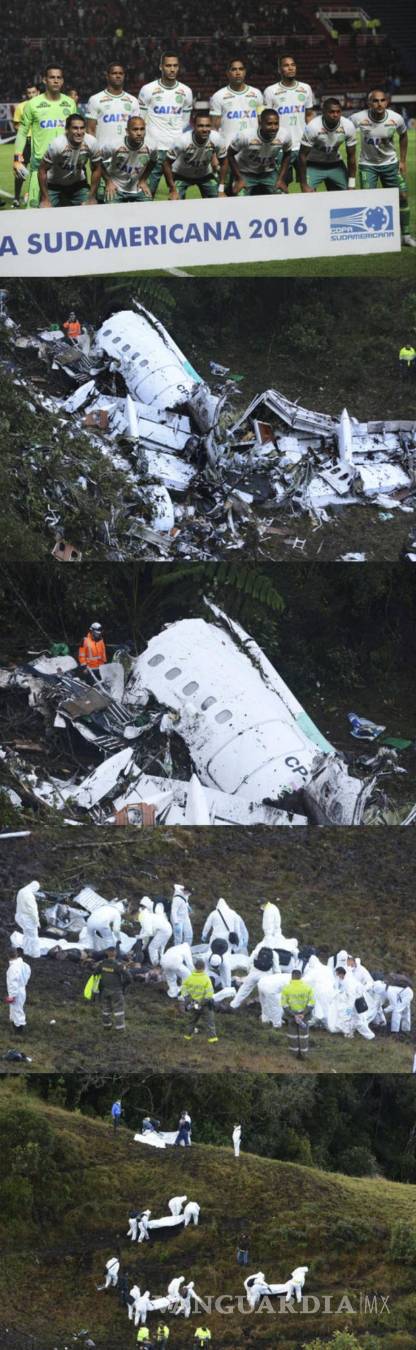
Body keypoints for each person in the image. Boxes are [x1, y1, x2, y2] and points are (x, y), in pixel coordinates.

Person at [351, 89, 416, 247]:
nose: (379, 104)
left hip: (390, 164)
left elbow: (403, 135)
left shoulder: (396, 118)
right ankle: (371, 237)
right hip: (368, 166)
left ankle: (406, 236)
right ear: (369, 103)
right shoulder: (358, 118)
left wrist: (402, 161)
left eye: (382, 100)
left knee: (402, 196)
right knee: (369, 200)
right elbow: (344, 128)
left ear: (386, 102)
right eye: (375, 101)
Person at [14, 67, 76, 207]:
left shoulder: (70, 103)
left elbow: (76, 133)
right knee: (34, 211)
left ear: (62, 81)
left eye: (59, 77)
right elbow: (22, 132)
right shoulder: (33, 104)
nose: (56, 80)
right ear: (44, 80)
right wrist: (17, 158)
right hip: (40, 167)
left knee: (67, 213)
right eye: (52, 77)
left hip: (65, 167)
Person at [138, 53, 193, 197]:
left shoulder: (186, 91)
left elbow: (185, 121)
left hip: (176, 152)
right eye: (168, 65)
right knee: (146, 195)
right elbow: (141, 120)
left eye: (175, 66)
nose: (172, 69)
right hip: (154, 150)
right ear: (161, 67)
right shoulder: (147, 89)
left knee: (178, 196)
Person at [263, 54, 315, 184]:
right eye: (286, 65)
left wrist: (312, 138)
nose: (290, 68)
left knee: (308, 185)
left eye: (293, 65)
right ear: (279, 69)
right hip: (280, 147)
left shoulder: (306, 88)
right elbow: (264, 120)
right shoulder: (270, 91)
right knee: (281, 185)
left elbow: (309, 115)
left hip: (303, 146)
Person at [209, 58, 263, 172]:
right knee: (229, 183)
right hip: (228, 151)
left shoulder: (257, 93)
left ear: (245, 72)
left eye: (241, 69)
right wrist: (213, 155)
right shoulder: (218, 96)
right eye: (234, 69)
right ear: (227, 73)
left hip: (253, 149)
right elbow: (214, 129)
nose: (238, 72)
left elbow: (262, 123)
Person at [38, 114, 101, 208]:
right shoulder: (57, 144)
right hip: (54, 185)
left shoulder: (92, 142)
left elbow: (97, 168)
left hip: (78, 184)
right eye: (75, 128)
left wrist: (92, 196)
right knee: (45, 210)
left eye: (82, 128)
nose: (79, 132)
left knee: (91, 208)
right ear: (67, 129)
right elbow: (42, 170)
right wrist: (45, 199)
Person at [225, 108, 292, 196]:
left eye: (276, 124)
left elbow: (287, 154)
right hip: (245, 173)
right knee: (239, 197)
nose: (273, 128)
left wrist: (281, 179)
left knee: (282, 195)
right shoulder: (245, 136)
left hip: (268, 173)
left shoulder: (284, 135)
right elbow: (229, 154)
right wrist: (239, 178)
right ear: (260, 123)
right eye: (269, 124)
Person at [164, 111, 227, 200]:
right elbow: (166, 164)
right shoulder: (182, 140)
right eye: (200, 126)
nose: (204, 129)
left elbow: (224, 162)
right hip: (181, 175)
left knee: (220, 199)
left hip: (205, 175)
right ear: (193, 126)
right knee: (174, 200)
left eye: (207, 126)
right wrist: (172, 189)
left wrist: (221, 189)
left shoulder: (217, 138)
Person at [299, 98, 357, 192]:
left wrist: (352, 184)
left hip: (335, 164)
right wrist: (303, 184)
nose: (335, 115)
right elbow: (302, 155)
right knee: (308, 195)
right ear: (324, 112)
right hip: (313, 164)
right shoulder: (313, 127)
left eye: (338, 112)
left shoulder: (348, 126)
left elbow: (351, 156)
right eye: (332, 112)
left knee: (348, 193)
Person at [100, 115, 157, 202]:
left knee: (149, 208)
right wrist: (108, 181)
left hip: (137, 187)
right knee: (110, 209)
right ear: (127, 131)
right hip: (116, 186)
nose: (139, 133)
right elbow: (97, 160)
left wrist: (143, 180)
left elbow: (153, 161)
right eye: (135, 129)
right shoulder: (114, 144)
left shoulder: (151, 145)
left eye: (142, 129)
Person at [86, 63, 140, 149]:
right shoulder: (95, 99)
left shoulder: (133, 101)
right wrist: (94, 151)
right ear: (107, 76)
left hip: (127, 152)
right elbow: (90, 130)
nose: (118, 76)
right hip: (103, 152)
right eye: (114, 73)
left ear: (124, 76)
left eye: (120, 73)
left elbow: (137, 128)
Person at [13, 83, 40, 204]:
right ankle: (16, 198)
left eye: (33, 92)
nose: (31, 95)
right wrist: (25, 130)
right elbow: (16, 124)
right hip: (26, 143)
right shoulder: (21, 106)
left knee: (41, 170)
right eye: (29, 93)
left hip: (39, 141)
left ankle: (39, 195)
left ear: (38, 92)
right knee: (20, 170)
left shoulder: (43, 105)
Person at [180, 959, 218, 1043]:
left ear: (195, 967)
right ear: (204, 967)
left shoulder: (190, 978)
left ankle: (187, 1037)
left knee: (191, 1022)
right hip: (205, 1006)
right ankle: (212, 1040)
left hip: (193, 1004)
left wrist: (189, 1000)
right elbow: (209, 994)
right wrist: (201, 1003)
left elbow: (183, 990)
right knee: (209, 1023)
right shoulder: (206, 979)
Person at [94, 946, 131, 1030]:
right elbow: (129, 978)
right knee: (119, 1010)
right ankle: (120, 1028)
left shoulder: (101, 964)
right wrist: (124, 986)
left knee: (106, 1009)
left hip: (104, 990)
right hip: (116, 990)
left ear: (106, 953)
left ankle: (106, 1025)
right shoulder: (118, 965)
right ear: (115, 953)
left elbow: (95, 974)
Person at [281, 969, 315, 1058]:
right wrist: (303, 1014)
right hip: (304, 1017)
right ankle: (303, 1054)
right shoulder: (308, 988)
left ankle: (294, 1054)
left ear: (292, 976)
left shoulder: (286, 988)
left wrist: (293, 1015)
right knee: (304, 1035)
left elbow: (284, 1004)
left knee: (293, 1035)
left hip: (292, 1017)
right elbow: (311, 1003)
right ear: (301, 977)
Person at [15, 880, 43, 957]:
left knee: (27, 934)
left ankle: (27, 951)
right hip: (28, 919)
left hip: (20, 916)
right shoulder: (29, 895)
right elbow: (33, 911)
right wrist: (37, 921)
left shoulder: (21, 891)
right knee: (33, 936)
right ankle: (34, 954)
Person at [6, 950, 31, 1031]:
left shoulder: (13, 968)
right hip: (22, 988)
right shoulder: (25, 965)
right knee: (17, 1008)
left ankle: (18, 1028)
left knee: (17, 1009)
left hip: (16, 991)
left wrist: (12, 996)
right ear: (17, 954)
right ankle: (16, 1024)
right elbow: (28, 974)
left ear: (8, 956)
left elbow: (13, 982)